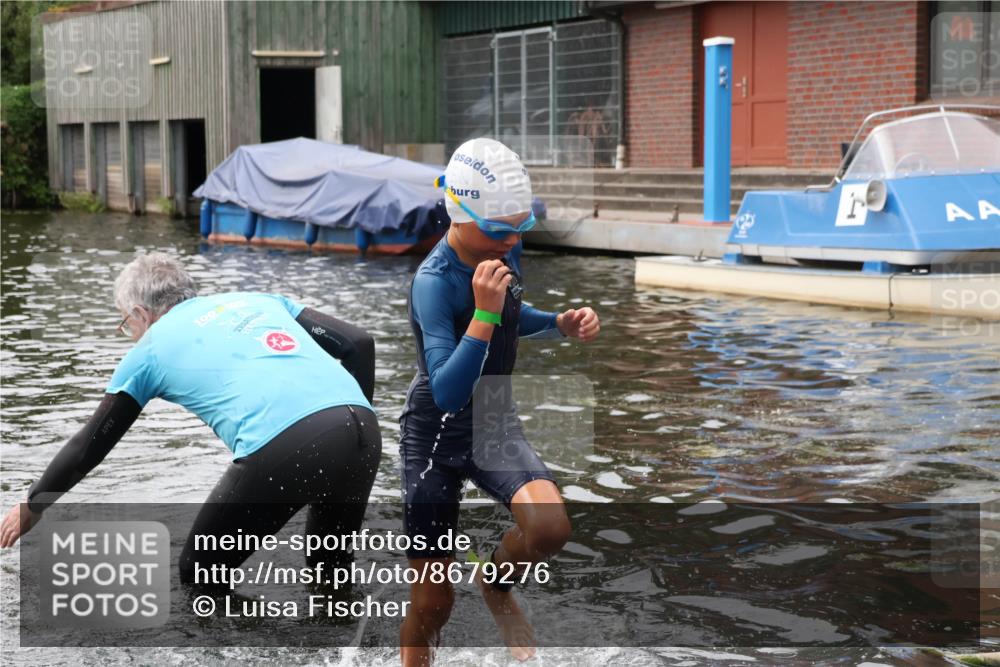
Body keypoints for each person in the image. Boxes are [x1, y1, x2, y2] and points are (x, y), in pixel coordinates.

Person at [0, 252, 381, 582]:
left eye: (126, 324)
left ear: (140, 313)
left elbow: (89, 444)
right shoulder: (255, 299)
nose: (131, 334)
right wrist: (342, 431)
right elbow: (359, 343)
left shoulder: (150, 349)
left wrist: (34, 504)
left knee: (200, 573)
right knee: (330, 570)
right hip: (363, 428)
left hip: (287, 441)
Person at [398, 138, 601, 665]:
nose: (511, 240)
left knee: (549, 528)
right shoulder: (433, 283)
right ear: (458, 212)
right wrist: (484, 313)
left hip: (492, 420)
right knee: (433, 604)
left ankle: (495, 582)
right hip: (434, 439)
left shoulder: (502, 250)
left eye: (520, 227)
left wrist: (557, 324)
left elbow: (513, 312)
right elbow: (446, 391)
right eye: (498, 230)